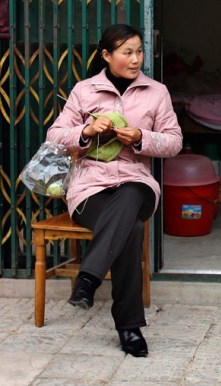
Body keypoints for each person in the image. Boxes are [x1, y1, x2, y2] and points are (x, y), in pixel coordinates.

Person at [47, 24, 183, 357]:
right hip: (90, 186)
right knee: (130, 229)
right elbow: (53, 137)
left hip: (138, 183)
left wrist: (141, 138)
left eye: (139, 51)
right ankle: (130, 327)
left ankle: (88, 279)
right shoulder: (84, 90)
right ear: (107, 56)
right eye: (127, 52)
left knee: (130, 195)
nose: (136, 59)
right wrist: (87, 129)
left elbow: (175, 142)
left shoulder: (156, 92)